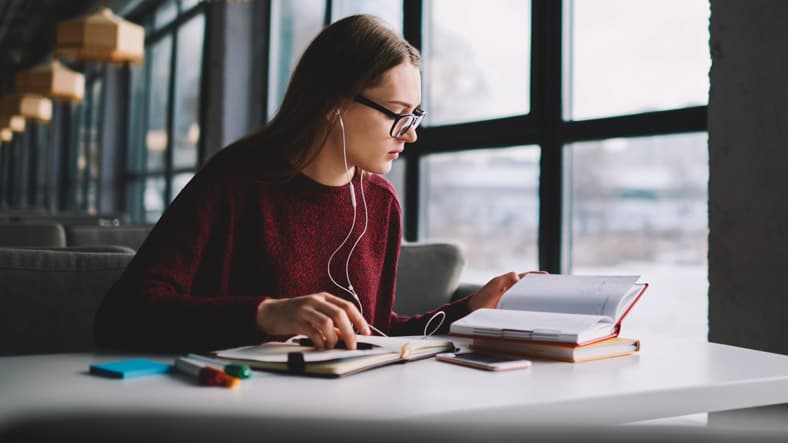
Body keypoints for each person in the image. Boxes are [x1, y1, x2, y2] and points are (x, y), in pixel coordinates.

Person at [94, 15, 530, 353]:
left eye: (415, 116)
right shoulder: (235, 180)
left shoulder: (379, 203)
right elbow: (124, 314)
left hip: (340, 410)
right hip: (234, 407)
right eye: (397, 113)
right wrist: (267, 315)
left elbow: (374, 332)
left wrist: (469, 310)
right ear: (332, 103)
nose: (410, 134)